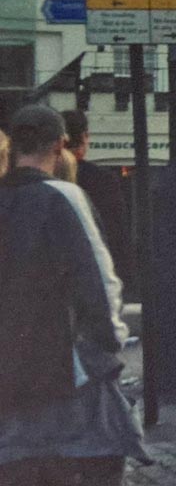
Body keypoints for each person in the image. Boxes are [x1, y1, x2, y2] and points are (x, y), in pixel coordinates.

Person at [0, 105, 148, 485]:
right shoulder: (62, 196)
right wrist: (110, 341)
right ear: (61, 144)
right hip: (59, 370)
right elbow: (98, 280)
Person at [61, 110, 135, 300]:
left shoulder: (47, 179)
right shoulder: (103, 180)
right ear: (85, 137)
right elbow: (117, 234)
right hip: (95, 275)